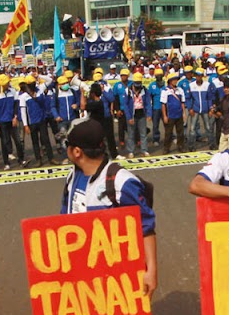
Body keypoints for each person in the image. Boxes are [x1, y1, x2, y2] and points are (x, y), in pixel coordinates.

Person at [60, 119, 157, 295]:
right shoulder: (72, 177)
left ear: (76, 151)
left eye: (67, 145)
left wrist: (151, 271)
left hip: (117, 279)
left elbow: (146, 228)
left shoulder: (122, 182)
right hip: (81, 276)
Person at [121, 73, 151, 158]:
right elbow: (125, 105)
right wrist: (129, 117)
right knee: (131, 134)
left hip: (141, 113)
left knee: (143, 133)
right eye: (136, 82)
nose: (138, 85)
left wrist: (149, 114)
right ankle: (131, 151)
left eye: (139, 83)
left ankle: (144, 150)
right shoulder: (128, 90)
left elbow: (148, 103)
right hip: (132, 114)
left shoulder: (144, 90)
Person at [187, 68, 216, 150]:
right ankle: (192, 146)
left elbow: (210, 98)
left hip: (205, 109)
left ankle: (212, 144)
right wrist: (190, 108)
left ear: (202, 76)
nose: (198, 77)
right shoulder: (191, 85)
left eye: (200, 76)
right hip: (195, 109)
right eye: (196, 76)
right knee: (192, 128)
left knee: (208, 127)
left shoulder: (207, 85)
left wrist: (211, 109)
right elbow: (188, 98)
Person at [161, 74, 187, 154]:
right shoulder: (165, 91)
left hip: (179, 114)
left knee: (180, 132)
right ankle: (166, 148)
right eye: (173, 80)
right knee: (168, 133)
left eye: (176, 80)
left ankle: (181, 146)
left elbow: (182, 103)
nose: (175, 81)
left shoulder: (180, 90)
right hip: (170, 115)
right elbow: (163, 104)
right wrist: (165, 116)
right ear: (170, 81)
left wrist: (184, 113)